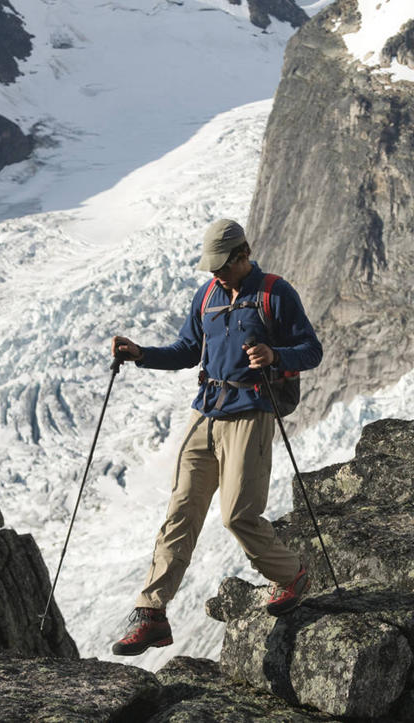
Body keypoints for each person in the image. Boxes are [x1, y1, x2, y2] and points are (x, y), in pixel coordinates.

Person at [110, 219, 323, 656]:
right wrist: (142, 354)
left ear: (242, 255)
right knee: (181, 511)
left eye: (221, 266)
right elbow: (189, 351)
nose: (215, 275)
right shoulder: (206, 296)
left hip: (251, 412)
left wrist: (274, 354)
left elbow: (311, 349)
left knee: (238, 516)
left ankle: (291, 575)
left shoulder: (274, 293)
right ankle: (152, 614)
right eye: (212, 268)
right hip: (205, 412)